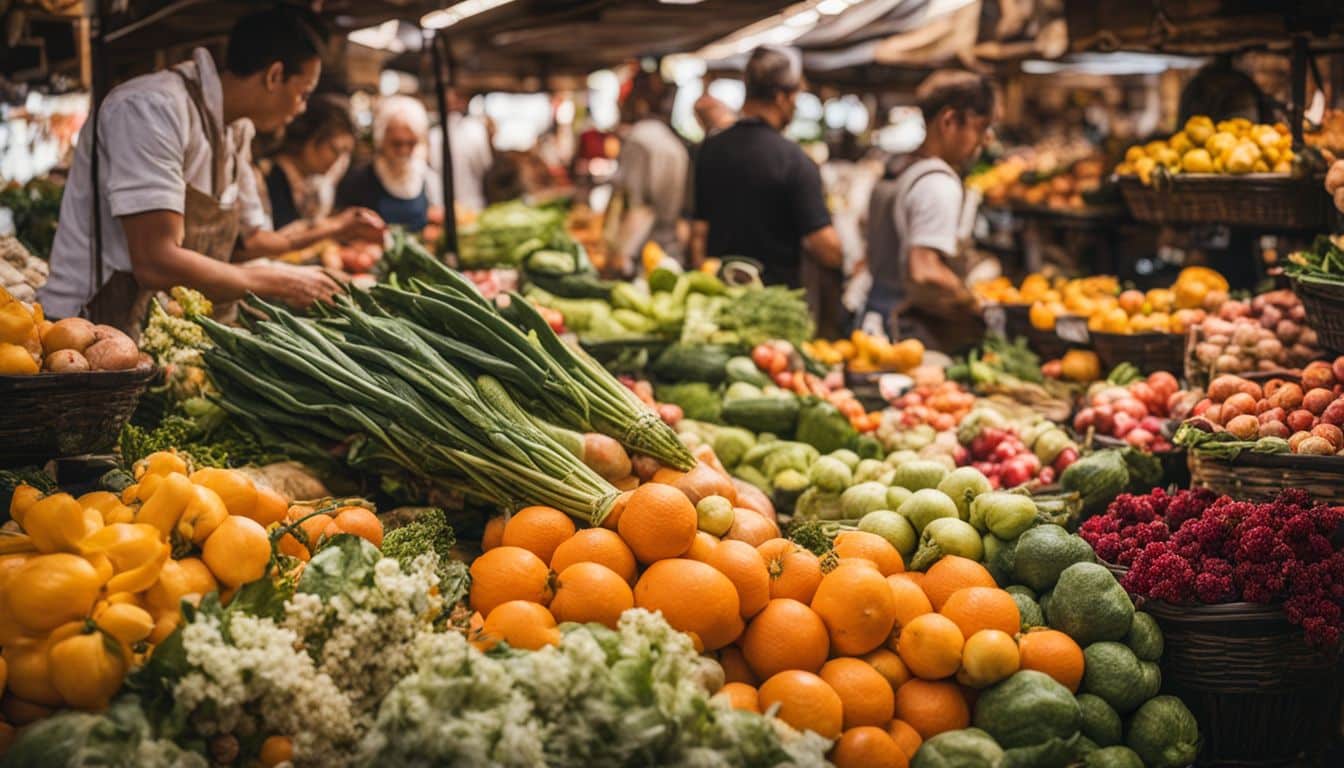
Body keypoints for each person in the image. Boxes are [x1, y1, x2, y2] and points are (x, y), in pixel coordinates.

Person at [42, 6, 344, 333]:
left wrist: (329, 237)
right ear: (274, 76)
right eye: (303, 94)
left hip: (153, 324)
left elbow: (246, 242)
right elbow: (155, 260)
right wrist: (277, 280)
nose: (301, 109)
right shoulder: (152, 109)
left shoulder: (236, 131)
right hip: (86, 326)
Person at [861, 70, 993, 349]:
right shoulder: (938, 184)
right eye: (980, 128)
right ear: (949, 120)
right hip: (907, 333)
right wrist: (971, 303)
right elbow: (924, 270)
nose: (985, 141)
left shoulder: (897, 167)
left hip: (875, 317)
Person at [691, 46, 842, 290]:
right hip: (773, 306)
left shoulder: (710, 149)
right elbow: (826, 247)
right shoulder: (795, 161)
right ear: (782, 98)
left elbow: (698, 231)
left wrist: (701, 283)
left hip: (719, 297)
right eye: (795, 98)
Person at [257, 93, 384, 239]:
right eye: (335, 150)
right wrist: (336, 224)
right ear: (310, 138)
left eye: (345, 154)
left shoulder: (313, 184)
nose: (338, 161)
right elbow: (263, 241)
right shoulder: (265, 176)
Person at [605, 70, 689, 274]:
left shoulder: (639, 141)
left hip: (643, 257)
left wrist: (619, 256)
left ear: (640, 101)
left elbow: (638, 206)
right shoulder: (672, 141)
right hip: (670, 251)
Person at [336, 95, 443, 231]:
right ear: (381, 139)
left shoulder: (427, 178)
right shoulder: (357, 180)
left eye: (411, 143)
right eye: (396, 144)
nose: (404, 150)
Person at [428, 88, 492, 214]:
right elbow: (485, 165)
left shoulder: (433, 135)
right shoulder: (475, 129)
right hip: (467, 204)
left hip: (452, 205)